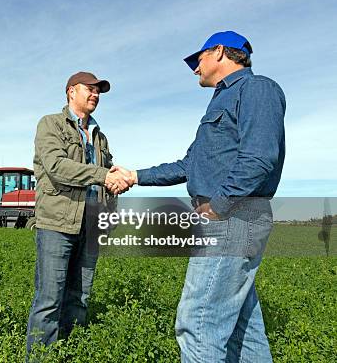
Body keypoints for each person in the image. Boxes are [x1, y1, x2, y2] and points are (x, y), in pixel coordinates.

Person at [112, 31, 285, 362]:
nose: (194, 69)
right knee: (242, 328)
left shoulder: (256, 88)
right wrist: (135, 176)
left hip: (232, 218)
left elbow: (260, 158)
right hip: (230, 219)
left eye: (197, 59)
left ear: (219, 51)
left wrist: (217, 208)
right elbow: (188, 165)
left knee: (197, 324)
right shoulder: (220, 101)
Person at [26, 71, 129, 357]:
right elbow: (57, 167)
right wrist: (104, 175)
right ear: (71, 91)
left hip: (92, 223)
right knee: (49, 299)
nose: (96, 94)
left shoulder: (100, 136)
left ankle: (71, 353)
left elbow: (107, 180)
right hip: (57, 223)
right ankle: (40, 358)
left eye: (99, 91)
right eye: (91, 89)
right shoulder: (51, 124)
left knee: (80, 297)